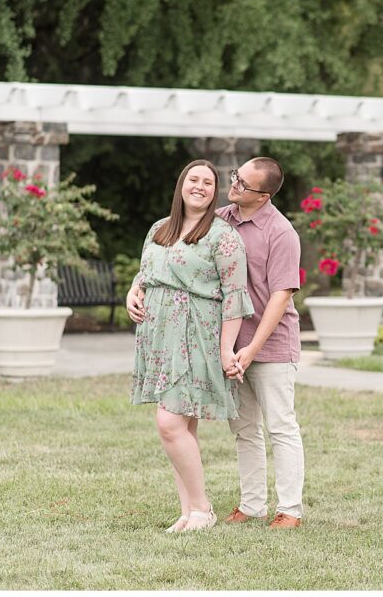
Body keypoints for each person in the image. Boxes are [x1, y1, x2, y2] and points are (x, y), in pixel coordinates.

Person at [126, 159, 254, 533]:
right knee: (183, 427)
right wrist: (134, 291)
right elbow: (147, 270)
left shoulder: (222, 235)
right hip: (159, 335)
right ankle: (188, 513)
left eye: (208, 183)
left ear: (215, 193)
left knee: (169, 423)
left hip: (196, 336)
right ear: (182, 184)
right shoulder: (159, 228)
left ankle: (202, 508)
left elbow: (235, 296)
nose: (200, 186)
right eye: (193, 179)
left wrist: (226, 349)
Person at [217, 157, 305, 529]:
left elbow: (280, 296)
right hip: (230, 344)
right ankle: (251, 506)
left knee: (281, 426)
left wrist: (252, 350)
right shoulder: (221, 218)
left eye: (243, 184)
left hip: (270, 347)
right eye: (236, 176)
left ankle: (290, 510)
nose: (234, 184)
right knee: (243, 428)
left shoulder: (281, 233)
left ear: (264, 195)